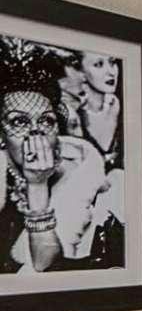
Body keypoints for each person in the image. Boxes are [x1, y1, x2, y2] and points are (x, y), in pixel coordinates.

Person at [0, 85, 122, 273]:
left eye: (46, 121)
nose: (35, 131)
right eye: (20, 122)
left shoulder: (77, 175)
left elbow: (43, 264)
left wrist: (37, 184)